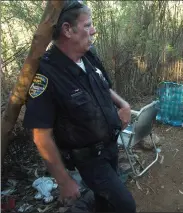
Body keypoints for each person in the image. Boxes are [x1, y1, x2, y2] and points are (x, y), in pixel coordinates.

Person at [23, 1, 136, 212]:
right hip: (90, 159)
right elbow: (41, 136)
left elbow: (104, 87)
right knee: (125, 206)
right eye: (87, 25)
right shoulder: (46, 74)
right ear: (67, 29)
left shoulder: (88, 54)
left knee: (105, 202)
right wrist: (64, 181)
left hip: (111, 146)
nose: (93, 30)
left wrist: (123, 104)